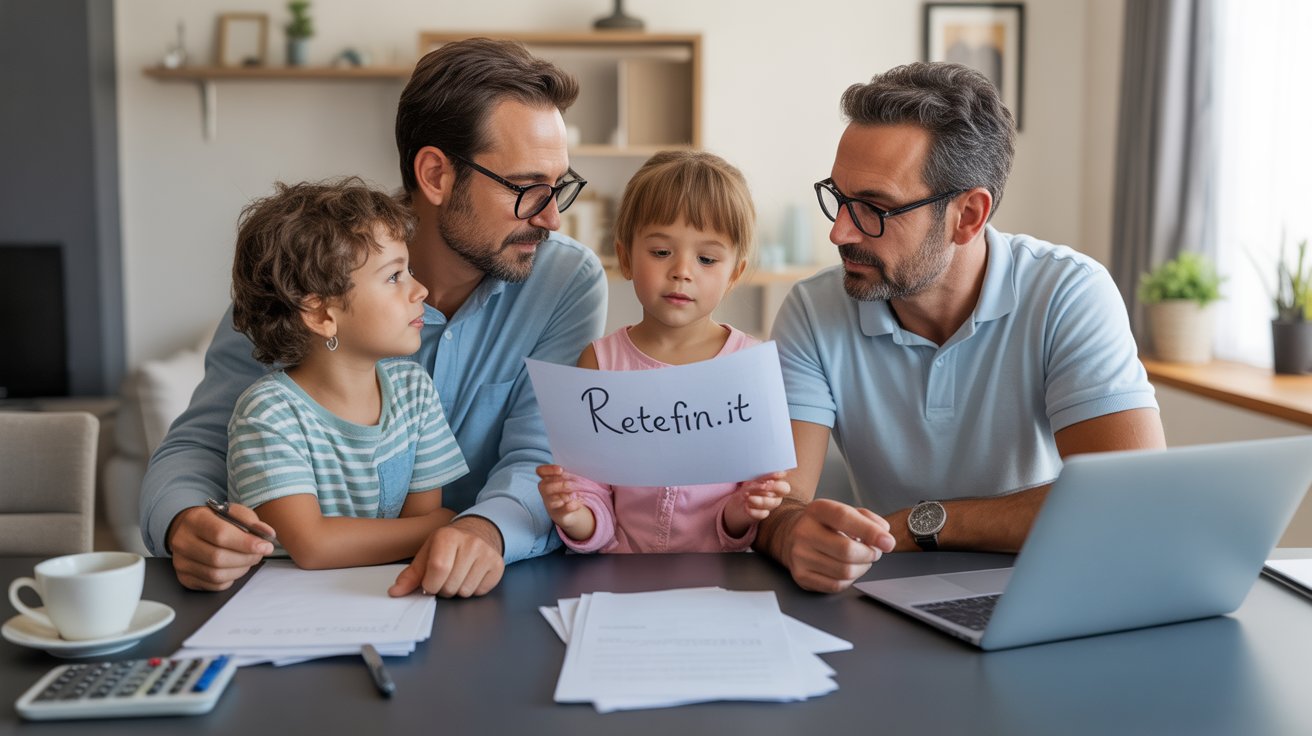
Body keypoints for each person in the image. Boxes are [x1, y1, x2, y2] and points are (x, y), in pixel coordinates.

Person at [139, 38, 607, 597]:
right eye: (529, 188)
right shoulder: (312, 270)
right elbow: (199, 445)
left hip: (484, 593)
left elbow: (543, 456)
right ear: (436, 175)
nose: (553, 218)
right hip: (295, 600)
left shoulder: (567, 283)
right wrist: (183, 522)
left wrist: (485, 530)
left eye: (559, 187)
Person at [753, 62, 1166, 593]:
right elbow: (775, 501)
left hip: (1046, 588)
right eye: (838, 197)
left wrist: (919, 523)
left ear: (968, 215)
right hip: (888, 592)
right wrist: (791, 533)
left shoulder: (1068, 292)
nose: (839, 231)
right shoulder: (814, 309)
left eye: (874, 208)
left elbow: (1132, 499)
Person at [535, 151, 788, 553]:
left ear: (734, 274)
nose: (682, 271)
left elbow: (748, 512)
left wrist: (742, 509)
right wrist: (573, 514)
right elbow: (590, 491)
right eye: (660, 252)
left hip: (719, 585)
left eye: (706, 259)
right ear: (625, 258)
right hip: (617, 580)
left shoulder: (749, 367)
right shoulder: (600, 363)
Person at [226, 178, 468, 569]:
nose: (419, 290)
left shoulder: (414, 392)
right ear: (322, 315)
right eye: (394, 277)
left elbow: (425, 526)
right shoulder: (267, 414)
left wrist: (434, 526)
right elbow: (313, 546)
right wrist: (441, 525)